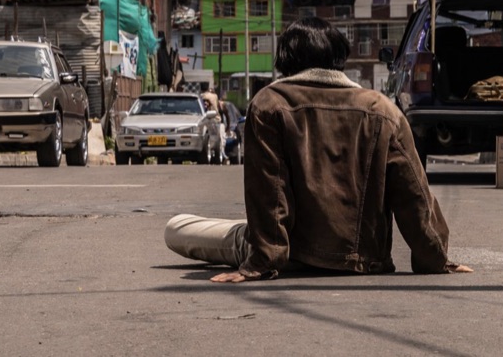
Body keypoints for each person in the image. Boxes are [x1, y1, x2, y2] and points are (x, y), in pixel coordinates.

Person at [164, 17, 472, 282]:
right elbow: (414, 195)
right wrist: (436, 259)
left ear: (285, 61)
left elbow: (271, 191)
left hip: (290, 255)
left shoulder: (270, 103)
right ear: (339, 57)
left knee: (177, 228)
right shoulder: (383, 110)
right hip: (365, 260)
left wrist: (261, 263)